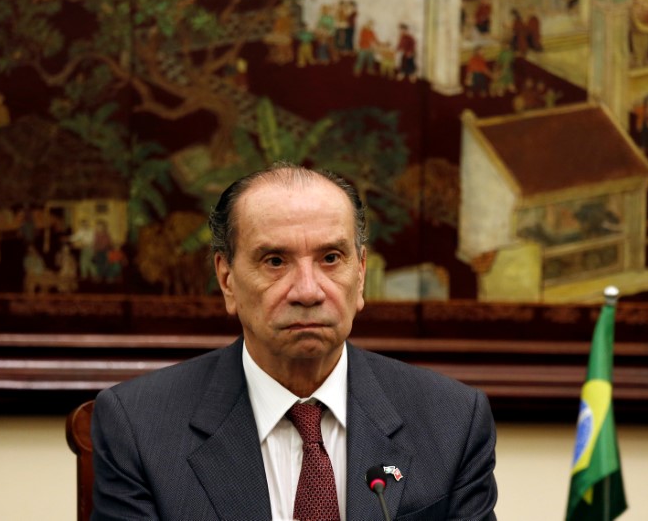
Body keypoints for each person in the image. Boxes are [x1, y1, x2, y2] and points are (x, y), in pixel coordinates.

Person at [91, 164, 498, 520]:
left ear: (361, 273)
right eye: (275, 261)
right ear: (226, 279)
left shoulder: (452, 421)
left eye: (331, 258)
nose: (307, 291)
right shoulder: (139, 428)